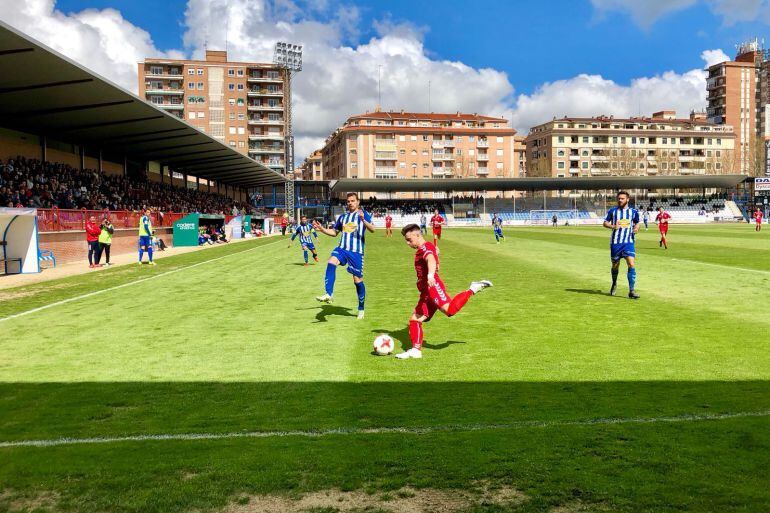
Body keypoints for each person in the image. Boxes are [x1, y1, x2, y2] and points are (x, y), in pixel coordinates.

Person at [395, 223, 492, 359]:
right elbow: (434, 254)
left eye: (409, 239)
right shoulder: (426, 247)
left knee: (450, 311)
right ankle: (416, 350)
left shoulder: (425, 247)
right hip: (425, 291)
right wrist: (436, 253)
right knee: (415, 319)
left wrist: (430, 275)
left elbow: (431, 259)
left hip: (432, 286)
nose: (407, 243)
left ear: (418, 235)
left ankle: (473, 288)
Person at [313, 192, 375, 319]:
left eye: (353, 201)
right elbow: (335, 232)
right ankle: (329, 293)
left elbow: (373, 229)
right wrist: (322, 229)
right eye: (348, 201)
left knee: (357, 281)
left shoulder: (363, 215)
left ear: (358, 202)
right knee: (331, 261)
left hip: (356, 252)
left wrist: (363, 220)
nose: (350, 203)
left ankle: (361, 308)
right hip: (342, 249)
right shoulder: (342, 217)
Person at [604, 191, 640, 299]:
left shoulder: (633, 211)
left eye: (622, 198)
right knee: (615, 265)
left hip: (628, 242)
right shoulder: (613, 211)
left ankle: (631, 291)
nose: (620, 200)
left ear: (628, 199)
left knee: (631, 264)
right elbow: (605, 223)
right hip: (616, 243)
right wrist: (613, 226)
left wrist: (636, 227)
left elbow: (637, 222)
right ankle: (614, 283)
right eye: (619, 198)